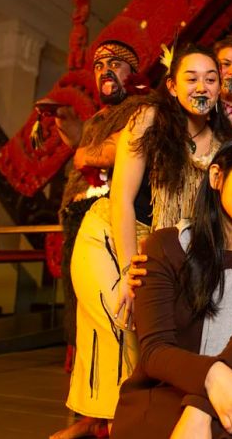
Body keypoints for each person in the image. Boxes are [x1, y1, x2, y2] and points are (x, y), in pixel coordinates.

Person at [60, 43, 232, 438]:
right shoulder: (148, 120)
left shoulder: (224, 146)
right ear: (172, 87)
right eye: (191, 79)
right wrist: (127, 270)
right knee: (117, 312)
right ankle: (111, 423)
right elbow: (122, 198)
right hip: (108, 233)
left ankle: (111, 423)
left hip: (160, 249)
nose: (202, 87)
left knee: (150, 338)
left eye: (211, 79)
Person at [111, 136, 232, 439]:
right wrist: (212, 377)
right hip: (159, 396)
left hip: (231, 402)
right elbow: (155, 352)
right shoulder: (164, 246)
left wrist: (201, 408)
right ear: (216, 177)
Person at [50, 38, 149, 439]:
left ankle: (121, 412)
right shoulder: (96, 120)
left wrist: (86, 152)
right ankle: (92, 416)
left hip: (116, 221)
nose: (105, 70)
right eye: (99, 66)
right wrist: (73, 138)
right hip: (79, 221)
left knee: (117, 312)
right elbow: (87, 152)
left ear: (133, 73)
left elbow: (117, 155)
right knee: (84, 321)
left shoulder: (143, 110)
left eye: (116, 64)